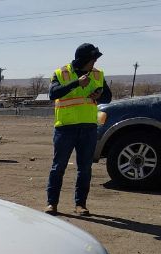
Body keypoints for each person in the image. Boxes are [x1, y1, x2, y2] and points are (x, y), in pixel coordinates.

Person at [45, 43, 112, 216]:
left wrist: (100, 95)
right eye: (93, 59)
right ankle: (52, 203)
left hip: (88, 128)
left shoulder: (97, 74)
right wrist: (76, 83)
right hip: (65, 128)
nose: (95, 62)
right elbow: (53, 94)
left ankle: (80, 204)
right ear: (83, 59)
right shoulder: (62, 73)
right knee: (58, 167)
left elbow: (108, 96)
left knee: (85, 168)